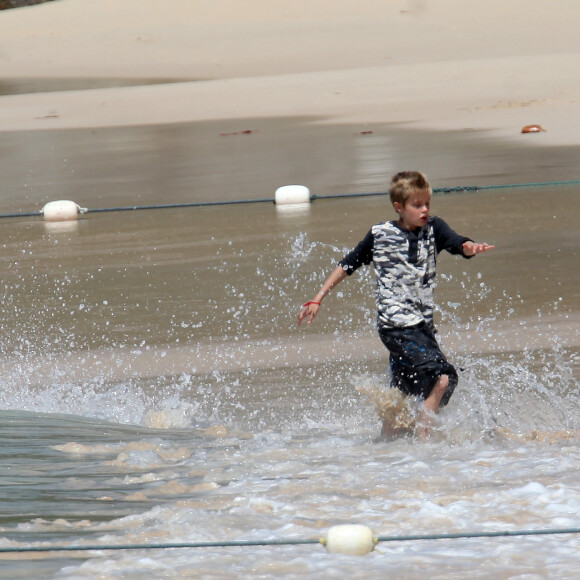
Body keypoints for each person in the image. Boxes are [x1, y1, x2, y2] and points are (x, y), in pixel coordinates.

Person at [297, 171, 494, 440]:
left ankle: (386, 447)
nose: (424, 209)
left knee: (403, 390)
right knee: (444, 378)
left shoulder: (434, 229)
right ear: (399, 207)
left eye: (427, 203)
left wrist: (471, 247)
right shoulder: (380, 234)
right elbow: (347, 265)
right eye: (417, 205)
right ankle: (424, 441)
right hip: (396, 328)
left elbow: (458, 243)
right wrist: (318, 298)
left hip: (422, 329)